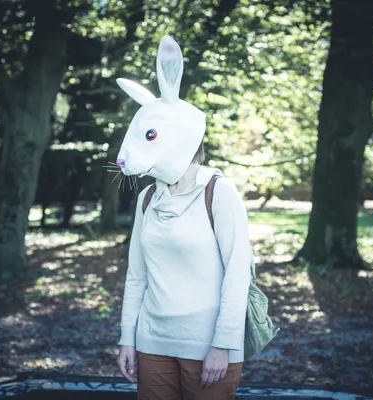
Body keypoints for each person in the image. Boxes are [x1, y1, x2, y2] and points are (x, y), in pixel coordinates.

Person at [113, 35, 252, 400]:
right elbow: (136, 275)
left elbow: (239, 273)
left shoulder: (218, 193)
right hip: (152, 343)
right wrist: (128, 337)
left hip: (209, 347)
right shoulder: (147, 198)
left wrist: (223, 344)